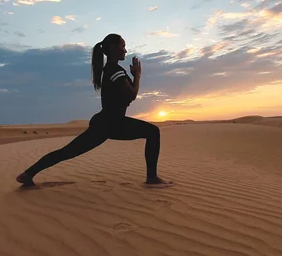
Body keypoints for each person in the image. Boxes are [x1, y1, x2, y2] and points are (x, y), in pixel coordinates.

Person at [15, 33, 173, 187]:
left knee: (67, 152)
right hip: (112, 123)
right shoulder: (115, 70)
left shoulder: (110, 70)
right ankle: (151, 178)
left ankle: (28, 174)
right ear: (113, 48)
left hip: (105, 123)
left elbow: (125, 94)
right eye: (123, 46)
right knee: (153, 132)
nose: (125, 50)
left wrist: (133, 77)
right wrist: (138, 75)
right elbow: (132, 95)